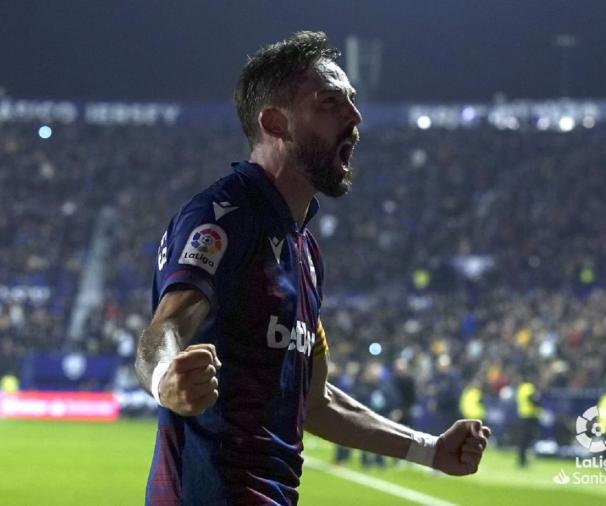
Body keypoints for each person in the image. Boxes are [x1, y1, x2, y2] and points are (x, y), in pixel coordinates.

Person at [134, 31, 491, 505]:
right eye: (330, 102)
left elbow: (316, 401)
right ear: (276, 122)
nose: (355, 116)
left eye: (353, 101)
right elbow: (163, 331)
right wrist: (164, 380)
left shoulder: (304, 250)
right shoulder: (225, 215)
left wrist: (430, 450)